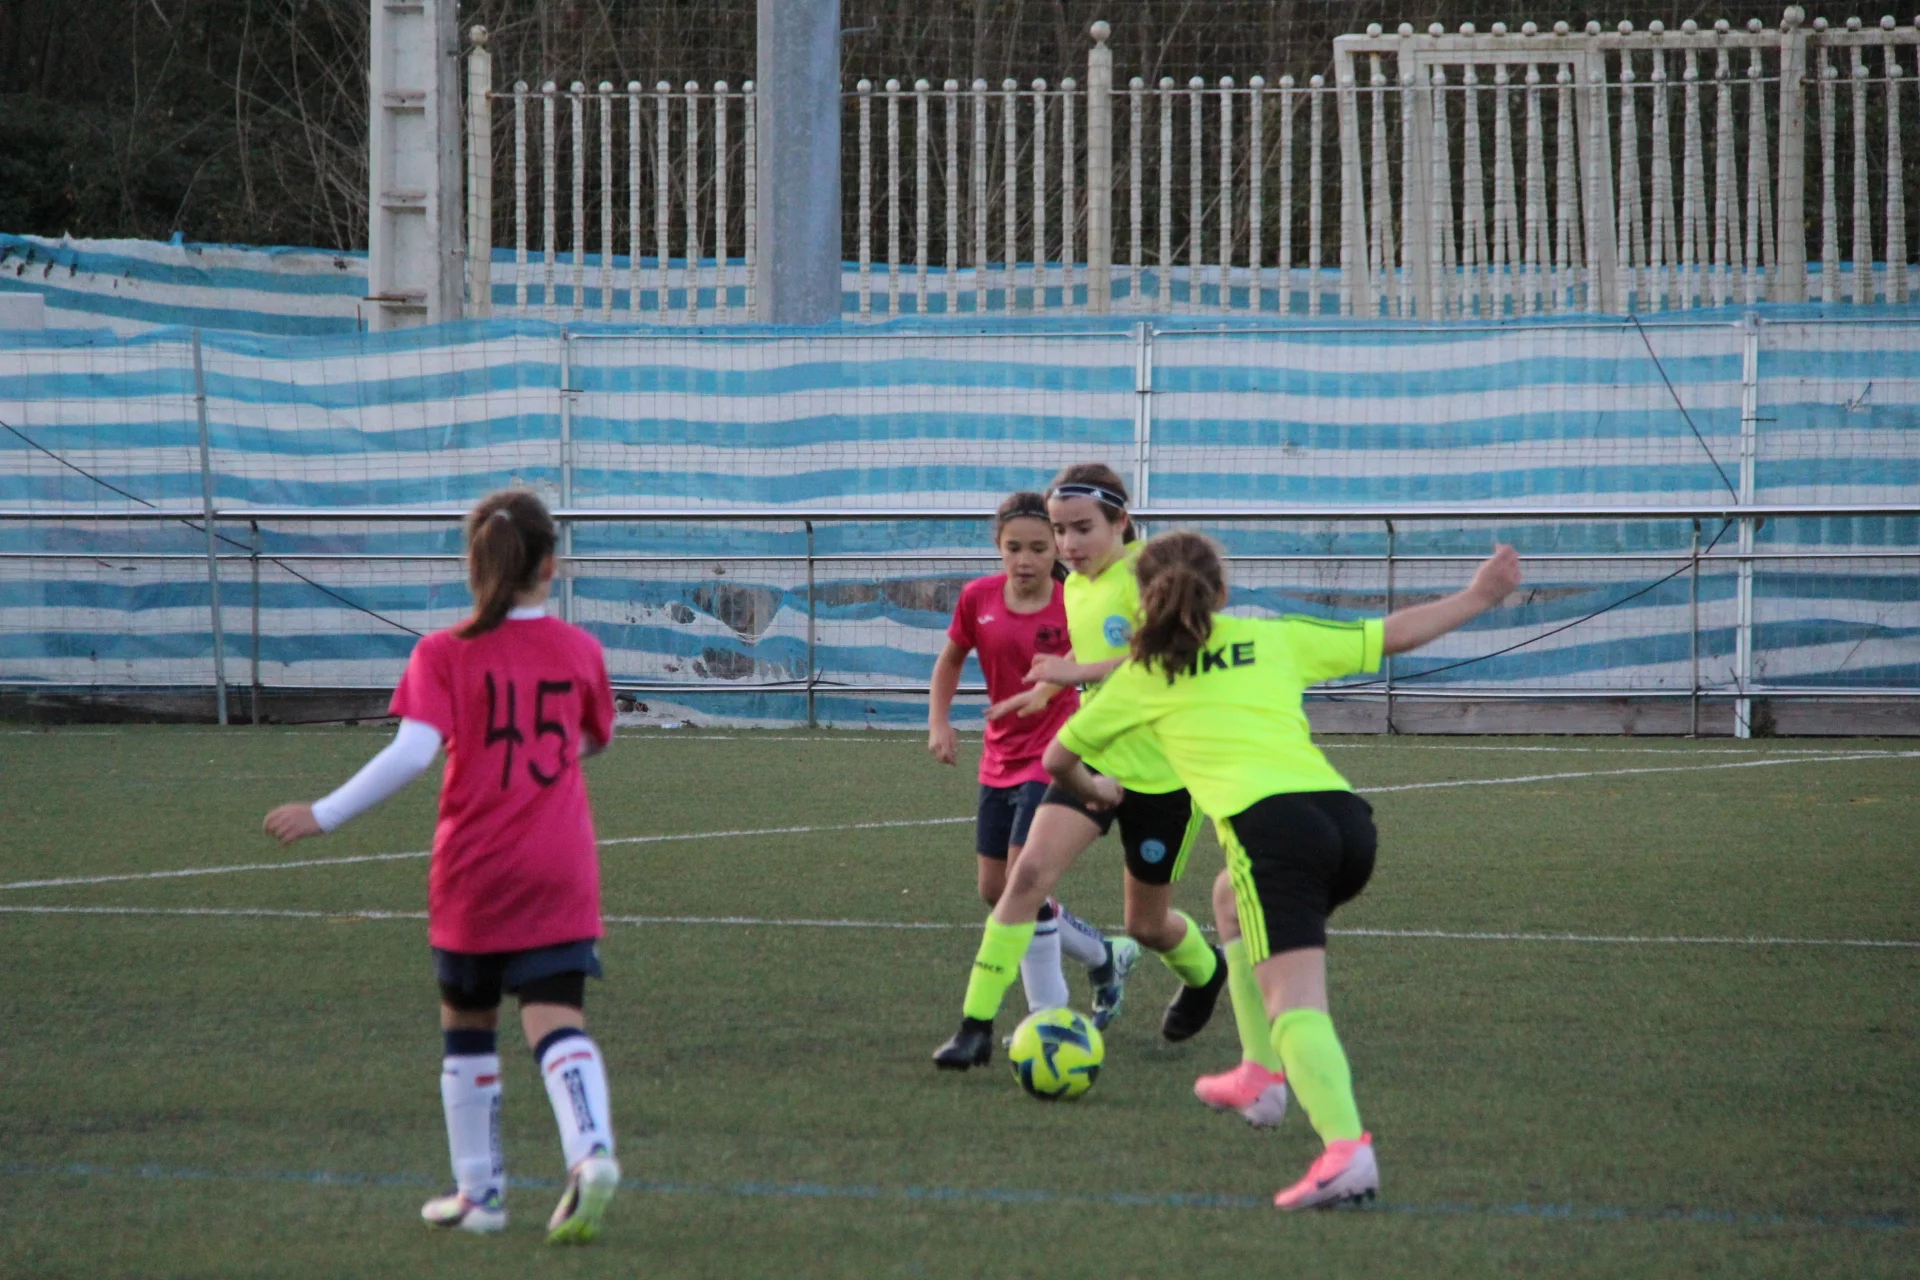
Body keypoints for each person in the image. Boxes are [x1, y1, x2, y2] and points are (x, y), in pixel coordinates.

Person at [1043, 530, 1523, 1210]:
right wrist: (1479, 595)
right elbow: (1391, 635)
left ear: (1141, 599)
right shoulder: (1270, 637)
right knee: (1227, 899)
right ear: (1223, 592)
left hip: (1274, 838)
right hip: (1346, 823)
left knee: (1296, 1006)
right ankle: (1260, 1076)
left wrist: (1093, 790)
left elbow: (1057, 760)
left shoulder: (1141, 676)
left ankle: (1346, 1151)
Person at [263, 489, 622, 1244]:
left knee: (468, 1023)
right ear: (550, 566)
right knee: (556, 1019)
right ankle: (590, 1151)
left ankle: (480, 1193)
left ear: (474, 566)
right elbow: (591, 739)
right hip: (560, 864)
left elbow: (411, 753)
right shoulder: (580, 650)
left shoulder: (443, 652)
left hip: (477, 870)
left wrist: (323, 813)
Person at [932, 465, 1225, 1070]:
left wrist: (1077, 673)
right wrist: (1045, 689)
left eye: (1082, 529)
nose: (1068, 544)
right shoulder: (1075, 585)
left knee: (1146, 926)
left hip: (1164, 777)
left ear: (1121, 522)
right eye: (1060, 530)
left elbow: (1172, 655)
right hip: (1092, 759)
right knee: (1025, 878)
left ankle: (1207, 971)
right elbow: (1088, 651)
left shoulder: (1152, 574)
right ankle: (975, 1027)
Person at [926, 491, 1139, 1023]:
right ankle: (1101, 954)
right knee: (994, 889)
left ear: (1057, 550)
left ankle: (1047, 1018)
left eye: (1039, 548)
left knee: (1023, 882)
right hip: (1000, 755)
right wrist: (939, 722)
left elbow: (1100, 656)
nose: (1025, 559)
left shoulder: (1075, 601)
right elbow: (950, 659)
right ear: (998, 547)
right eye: (1014, 548)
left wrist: (1060, 684)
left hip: (1056, 754)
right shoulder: (978, 597)